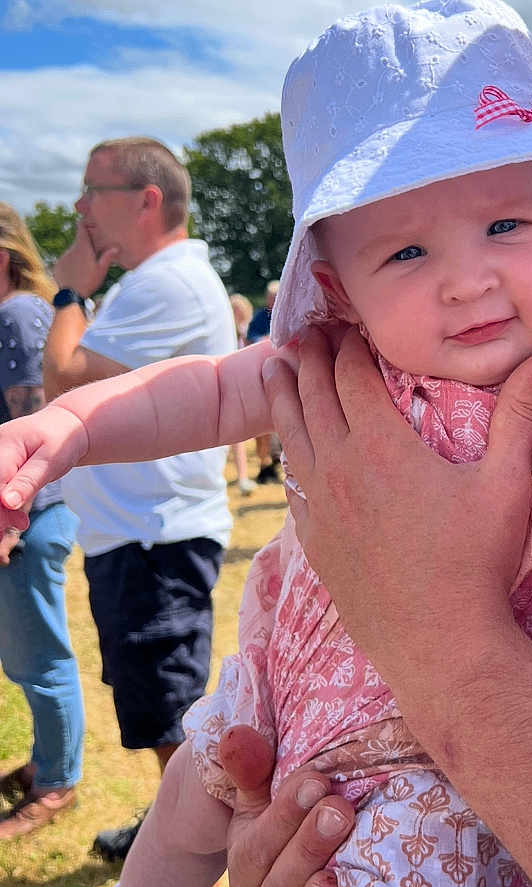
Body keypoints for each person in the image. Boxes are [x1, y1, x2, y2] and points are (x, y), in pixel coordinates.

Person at [0, 2, 532, 883]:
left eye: (505, 227)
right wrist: (69, 427)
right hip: (284, 698)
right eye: (405, 253)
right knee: (182, 805)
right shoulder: (333, 358)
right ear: (339, 287)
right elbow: (198, 391)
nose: (465, 280)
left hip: (442, 771)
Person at [42, 136, 237, 860]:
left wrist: (68, 288)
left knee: (170, 713)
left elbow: (63, 373)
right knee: (157, 704)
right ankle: (169, 830)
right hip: (143, 528)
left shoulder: (168, 282)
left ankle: (188, 850)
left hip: (155, 532)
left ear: (146, 200)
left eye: (93, 188)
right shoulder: (157, 279)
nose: (79, 205)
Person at [0, 204, 82, 841]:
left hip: (28, 515)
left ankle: (58, 784)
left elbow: (31, 429)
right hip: (21, 514)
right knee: (26, 655)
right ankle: (46, 762)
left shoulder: (18, 314)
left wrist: (10, 520)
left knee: (42, 656)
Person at [246, 280, 282, 485]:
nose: (274, 301)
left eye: (276, 297)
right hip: (262, 374)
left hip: (284, 373)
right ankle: (265, 464)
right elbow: (251, 338)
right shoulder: (260, 317)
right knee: (263, 425)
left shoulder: (288, 312)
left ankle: (276, 462)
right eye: (271, 298)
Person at [228, 293, 257, 496]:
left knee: (237, 435)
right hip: (231, 383)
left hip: (241, 382)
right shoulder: (224, 330)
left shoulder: (246, 330)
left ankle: (243, 477)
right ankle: (242, 477)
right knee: (234, 434)